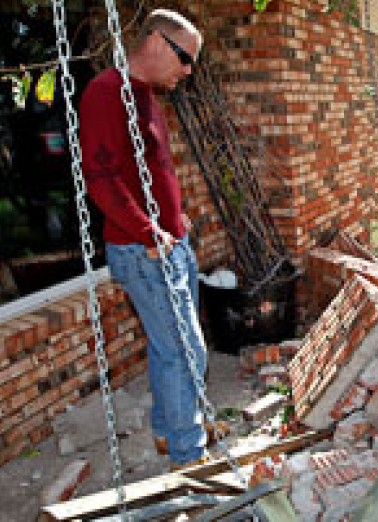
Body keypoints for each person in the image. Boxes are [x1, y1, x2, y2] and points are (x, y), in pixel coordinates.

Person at [79, 9, 211, 469]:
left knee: (169, 348)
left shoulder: (145, 96)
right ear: (155, 41)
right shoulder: (106, 92)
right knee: (185, 350)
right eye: (185, 58)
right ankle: (189, 456)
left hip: (171, 244)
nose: (188, 70)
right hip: (144, 250)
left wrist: (175, 217)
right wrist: (147, 229)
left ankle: (170, 429)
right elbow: (101, 178)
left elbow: (148, 171)